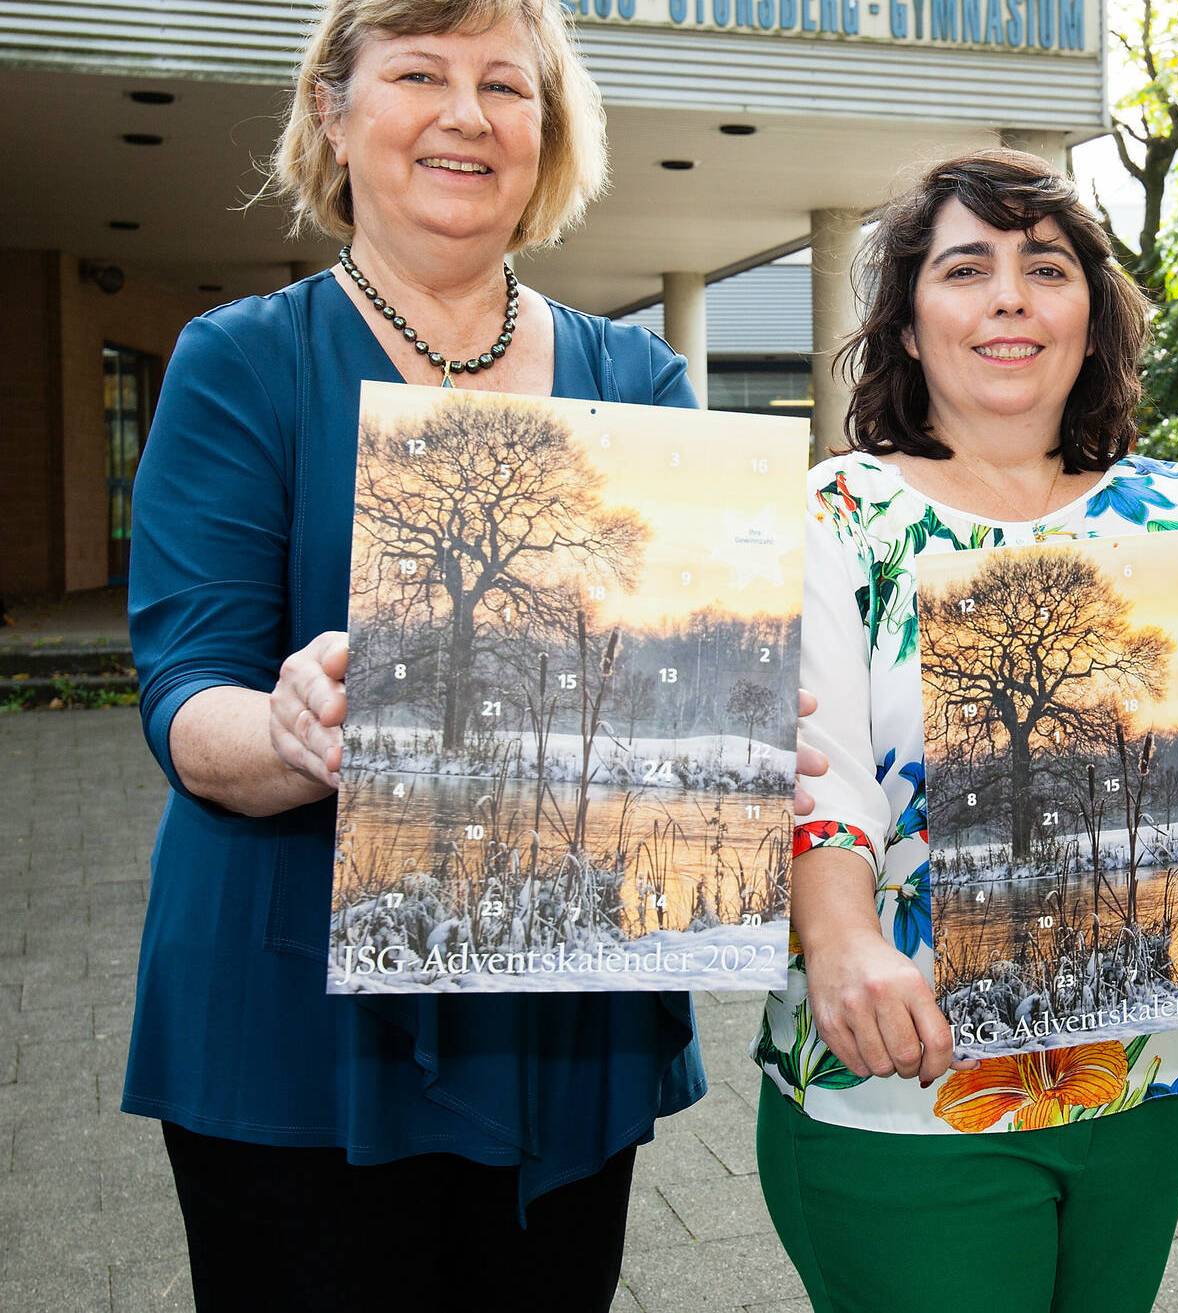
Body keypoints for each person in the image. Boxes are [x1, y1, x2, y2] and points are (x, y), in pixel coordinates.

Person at [123, 1, 820, 1306]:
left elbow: (690, 669)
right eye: (420, 73)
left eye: (507, 84)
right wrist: (285, 732)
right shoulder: (240, 365)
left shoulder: (643, 384)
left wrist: (749, 726)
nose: (465, 113)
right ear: (333, 110)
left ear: (547, 134)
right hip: (292, 1024)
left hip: (563, 1012)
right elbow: (184, 696)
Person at [754, 149, 1178, 1313]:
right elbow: (816, 771)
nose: (1009, 296)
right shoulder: (835, 515)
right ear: (910, 327)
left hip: (1141, 1067)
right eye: (966, 268)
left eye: (1046, 266)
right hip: (906, 1076)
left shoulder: (1175, 510)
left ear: (1090, 313)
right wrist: (843, 938)